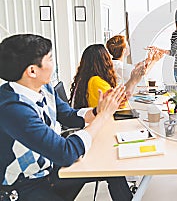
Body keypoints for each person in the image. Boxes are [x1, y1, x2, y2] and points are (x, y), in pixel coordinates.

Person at [0, 34, 133, 200]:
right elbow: (65, 153)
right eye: (49, 59)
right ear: (32, 71)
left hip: (50, 170)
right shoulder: (13, 109)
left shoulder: (45, 88)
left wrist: (99, 110)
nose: (53, 64)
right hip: (24, 186)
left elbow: (69, 116)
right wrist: (103, 116)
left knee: (113, 170)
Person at [69, 44, 149, 108]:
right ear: (104, 61)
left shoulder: (88, 79)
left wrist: (132, 81)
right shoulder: (96, 81)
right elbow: (119, 104)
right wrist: (133, 81)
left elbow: (117, 96)